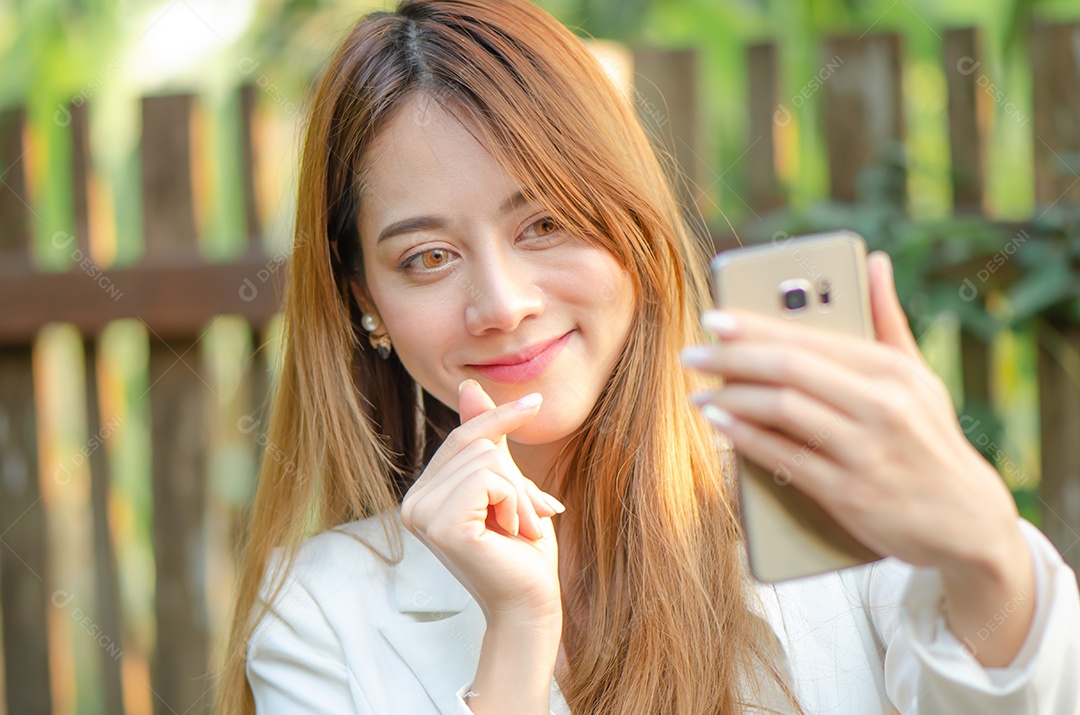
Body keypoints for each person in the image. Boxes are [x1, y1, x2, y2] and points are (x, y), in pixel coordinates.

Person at [213, 1, 1080, 713]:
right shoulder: (320, 614)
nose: (504, 303)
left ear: (630, 224)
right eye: (427, 257)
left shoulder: (825, 499)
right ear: (366, 300)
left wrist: (984, 552)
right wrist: (516, 640)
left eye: (545, 221)